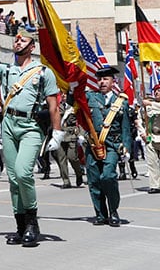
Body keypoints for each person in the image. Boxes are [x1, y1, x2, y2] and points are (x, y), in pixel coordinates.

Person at [0, 30, 61, 247]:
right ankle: (20, 225)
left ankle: (32, 224)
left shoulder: (43, 72)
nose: (18, 42)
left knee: (23, 172)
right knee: (14, 179)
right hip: (8, 124)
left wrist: (57, 133)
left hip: (31, 126)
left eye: (23, 40)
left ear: (32, 46)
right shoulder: (8, 71)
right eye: (16, 39)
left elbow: (54, 106)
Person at [85, 66, 133, 226]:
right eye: (99, 79)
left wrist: (126, 148)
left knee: (108, 176)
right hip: (93, 145)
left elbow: (126, 127)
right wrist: (71, 86)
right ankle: (100, 214)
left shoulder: (121, 102)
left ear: (114, 81)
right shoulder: (90, 97)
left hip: (112, 144)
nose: (102, 82)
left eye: (106, 79)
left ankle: (113, 210)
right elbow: (74, 101)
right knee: (94, 181)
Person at [54, 95, 85, 188]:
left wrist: (81, 134)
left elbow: (80, 121)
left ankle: (79, 174)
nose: (63, 96)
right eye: (62, 94)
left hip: (71, 135)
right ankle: (66, 181)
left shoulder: (74, 107)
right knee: (61, 159)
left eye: (65, 94)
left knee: (72, 158)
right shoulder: (57, 107)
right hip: (60, 135)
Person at [143, 83, 160, 193]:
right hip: (151, 136)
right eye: (156, 91)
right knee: (152, 163)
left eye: (159, 91)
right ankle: (155, 185)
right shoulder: (148, 105)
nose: (157, 93)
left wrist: (150, 103)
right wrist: (142, 132)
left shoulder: (151, 104)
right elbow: (140, 119)